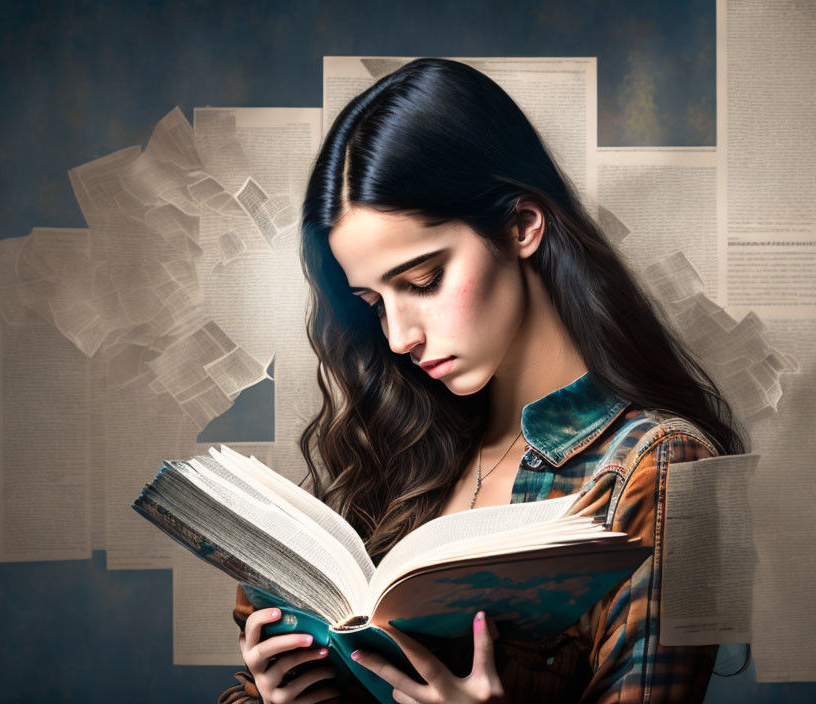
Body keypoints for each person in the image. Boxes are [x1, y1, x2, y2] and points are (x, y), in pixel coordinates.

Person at [218, 57, 748, 704]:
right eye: (373, 302)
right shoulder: (396, 450)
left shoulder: (666, 467)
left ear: (522, 226)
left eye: (422, 282)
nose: (398, 337)